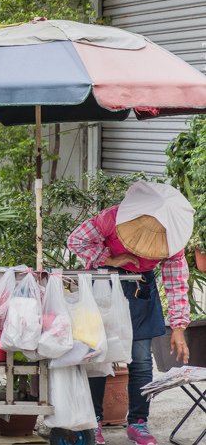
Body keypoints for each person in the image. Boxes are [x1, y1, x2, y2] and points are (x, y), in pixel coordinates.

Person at [67, 180, 192, 445]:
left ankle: (138, 422)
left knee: (141, 360)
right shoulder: (112, 217)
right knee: (97, 356)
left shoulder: (175, 238)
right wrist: (109, 258)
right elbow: (76, 240)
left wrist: (179, 327)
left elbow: (176, 281)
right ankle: (94, 422)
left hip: (141, 291)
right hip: (104, 286)